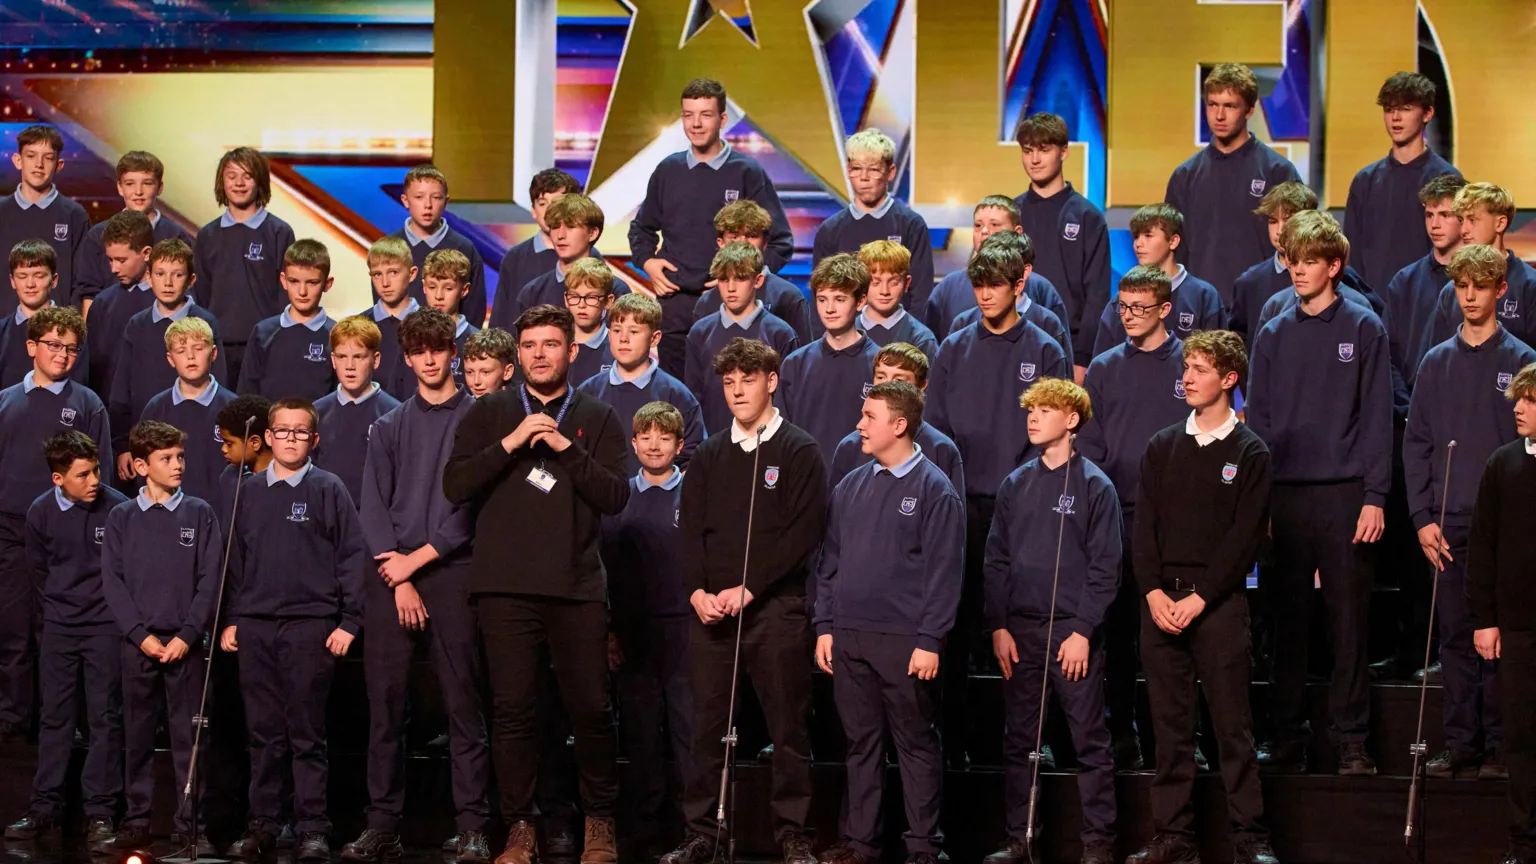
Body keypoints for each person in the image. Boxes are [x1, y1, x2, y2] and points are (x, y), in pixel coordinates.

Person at [442, 304, 629, 864]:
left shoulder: (596, 416)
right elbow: (455, 484)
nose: (540, 354)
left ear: (572, 352)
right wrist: (513, 441)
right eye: (530, 346)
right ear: (516, 354)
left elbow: (617, 496)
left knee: (591, 709)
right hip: (505, 588)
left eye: (551, 344)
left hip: (577, 588)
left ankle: (599, 823)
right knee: (515, 711)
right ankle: (519, 828)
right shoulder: (490, 413)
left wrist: (567, 450)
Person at [661, 337, 827, 864]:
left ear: (771, 382)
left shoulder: (799, 450)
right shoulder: (709, 453)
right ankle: (700, 833)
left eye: (747, 380)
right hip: (712, 613)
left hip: (775, 610)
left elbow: (803, 533)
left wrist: (751, 587)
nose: (736, 391)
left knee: (787, 728)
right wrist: (697, 592)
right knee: (706, 727)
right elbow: (690, 535)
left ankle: (792, 832)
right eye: (728, 382)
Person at [1246, 210, 1391, 776]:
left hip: (1346, 495)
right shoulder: (1273, 330)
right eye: (1291, 259)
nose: (1297, 270)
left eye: (1308, 261)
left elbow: (1377, 417)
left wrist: (1375, 495)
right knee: (1288, 621)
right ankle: (1287, 733)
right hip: (1285, 496)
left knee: (1348, 621)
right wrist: (1260, 505)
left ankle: (1352, 739)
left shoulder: (1363, 327)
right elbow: (1258, 422)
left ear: (1334, 266)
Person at [1127, 330, 1277, 864]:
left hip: (1217, 608)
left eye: (1199, 368)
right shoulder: (1162, 445)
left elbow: (1245, 537)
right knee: (1169, 729)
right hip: (1160, 605)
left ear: (1229, 379)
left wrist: (1201, 598)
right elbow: (1143, 530)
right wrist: (1151, 593)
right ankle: (1173, 838)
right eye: (1185, 366)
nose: (1186, 377)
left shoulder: (1250, 451)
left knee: (1232, 728)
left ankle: (1250, 838)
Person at [346, 308, 490, 863]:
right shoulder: (388, 425)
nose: (430, 359)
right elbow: (373, 506)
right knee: (386, 708)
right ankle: (382, 823)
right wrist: (399, 574)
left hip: (453, 574)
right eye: (419, 351)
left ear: (453, 351)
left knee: (463, 704)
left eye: (439, 349)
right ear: (406, 359)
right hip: (392, 578)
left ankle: (473, 824)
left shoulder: (479, 419)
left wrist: (421, 561)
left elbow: (473, 507)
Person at [928, 240, 1067, 768]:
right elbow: (936, 434)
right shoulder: (953, 348)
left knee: (1027, 629)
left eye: (995, 286)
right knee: (958, 628)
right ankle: (953, 739)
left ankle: (1034, 741)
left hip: (1025, 507)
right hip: (962, 506)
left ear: (1018, 286)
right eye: (978, 285)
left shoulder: (1046, 346)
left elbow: (1052, 432)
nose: (985, 295)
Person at [815, 381, 963, 864]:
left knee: (916, 746)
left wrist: (930, 639)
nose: (859, 424)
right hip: (851, 638)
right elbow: (829, 563)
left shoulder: (934, 489)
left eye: (869, 416)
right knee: (861, 745)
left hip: (905, 644)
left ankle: (923, 848)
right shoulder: (850, 485)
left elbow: (945, 572)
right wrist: (825, 626)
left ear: (899, 425)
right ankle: (862, 844)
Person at [1405, 244, 1536, 780]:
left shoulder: (1523, 362)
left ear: (1501, 291)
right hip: (1449, 523)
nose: (1471, 297)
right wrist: (1422, 517)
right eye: (1463, 287)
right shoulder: (1435, 363)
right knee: (1456, 637)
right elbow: (1416, 444)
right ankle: (1462, 742)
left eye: (1482, 287)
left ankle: (1506, 746)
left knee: (1502, 638)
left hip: (1508, 531)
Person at [222, 399, 365, 861]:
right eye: (281, 431)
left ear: (313, 440)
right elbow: (235, 563)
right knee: (264, 733)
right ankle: (262, 823)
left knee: (307, 733)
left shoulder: (329, 489)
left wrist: (349, 621)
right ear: (267, 436)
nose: (290, 439)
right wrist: (232, 618)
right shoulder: (249, 491)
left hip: (310, 625)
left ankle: (311, 828)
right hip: (257, 626)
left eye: (300, 432)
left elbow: (352, 557)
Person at [984, 378, 1119, 864]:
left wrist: (1083, 631)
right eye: (1030, 409)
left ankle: (1099, 843)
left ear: (1072, 420)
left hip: (1072, 633)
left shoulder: (1094, 486)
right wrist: (998, 624)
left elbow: (1107, 568)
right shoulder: (1015, 484)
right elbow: (996, 560)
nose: (1033, 417)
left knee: (1089, 740)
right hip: (1021, 631)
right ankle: (1020, 837)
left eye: (1045, 409)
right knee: (1021, 739)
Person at [1077, 265, 1193, 770]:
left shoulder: (1190, 361)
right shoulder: (1103, 368)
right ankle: (1121, 736)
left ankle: (1181, 744)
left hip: (1176, 522)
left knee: (1176, 641)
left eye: (1140, 308)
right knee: (1119, 635)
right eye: (1122, 307)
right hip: (1119, 518)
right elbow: (1093, 446)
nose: (1129, 317)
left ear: (1165, 309)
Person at [100, 421, 221, 854]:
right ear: (140, 466)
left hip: (185, 645)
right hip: (139, 646)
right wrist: (139, 635)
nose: (177, 466)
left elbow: (210, 580)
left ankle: (191, 826)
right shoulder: (121, 518)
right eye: (166, 459)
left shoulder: (200, 514)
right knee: (136, 735)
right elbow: (112, 581)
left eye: (180, 457)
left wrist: (188, 634)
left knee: (191, 740)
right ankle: (136, 819)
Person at [3, 432, 128, 851]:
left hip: (104, 627)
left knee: (104, 719)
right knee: (54, 717)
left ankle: (100, 813)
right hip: (59, 626)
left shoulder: (117, 508)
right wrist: (57, 613)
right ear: (59, 478)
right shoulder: (39, 513)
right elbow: (39, 571)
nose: (94, 479)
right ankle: (44, 808)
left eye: (95, 469)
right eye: (83, 474)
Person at [629, 78, 794, 375]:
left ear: (722, 119)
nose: (696, 124)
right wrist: (648, 263)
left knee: (731, 392)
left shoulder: (747, 171)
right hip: (675, 307)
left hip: (729, 308)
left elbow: (781, 242)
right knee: (678, 401)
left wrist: (740, 277)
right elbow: (641, 229)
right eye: (688, 115)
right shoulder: (669, 170)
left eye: (705, 115)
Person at [0, 305, 109, 741]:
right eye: (53, 345)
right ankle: (13, 719)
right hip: (12, 530)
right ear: (32, 347)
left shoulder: (87, 403)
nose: (62, 355)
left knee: (60, 632)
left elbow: (102, 480)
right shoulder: (7, 403)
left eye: (71, 348)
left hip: (71, 533)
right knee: (14, 629)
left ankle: (64, 720)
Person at [600, 401, 694, 847]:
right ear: (633, 442)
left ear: (679, 444)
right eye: (646, 436)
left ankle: (697, 828)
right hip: (633, 632)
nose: (654, 444)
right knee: (639, 733)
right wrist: (610, 632)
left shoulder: (695, 494)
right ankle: (646, 827)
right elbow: (606, 569)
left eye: (664, 436)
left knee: (688, 729)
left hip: (684, 631)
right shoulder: (618, 497)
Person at [1469, 362, 1536, 864]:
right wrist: (1484, 618)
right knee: (1521, 737)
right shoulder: (1503, 463)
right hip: (1517, 628)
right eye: (1518, 398)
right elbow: (1483, 548)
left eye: (1530, 401)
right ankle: (1524, 843)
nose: (1518, 407)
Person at [1165, 63, 1302, 308]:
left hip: (1262, 307)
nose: (1219, 116)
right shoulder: (1185, 176)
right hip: (1200, 309)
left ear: (1249, 110)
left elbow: (1297, 247)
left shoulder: (1278, 172)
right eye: (1213, 104)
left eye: (1230, 106)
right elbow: (1174, 252)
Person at [109, 238, 226, 480]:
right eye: (160, 274)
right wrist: (122, 446)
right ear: (149, 277)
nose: (168, 283)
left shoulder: (207, 323)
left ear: (191, 280)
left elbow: (220, 385)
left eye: (177, 275)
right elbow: (121, 389)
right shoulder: (138, 325)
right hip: (149, 438)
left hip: (199, 436)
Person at [1012, 112, 1110, 379]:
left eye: (1044, 150)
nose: (1034, 159)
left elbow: (1097, 295)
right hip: (1012, 342)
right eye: (1028, 150)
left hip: (1068, 349)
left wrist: (1083, 359)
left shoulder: (1087, 216)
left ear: (1064, 151)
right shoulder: (1012, 214)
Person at [1343, 72, 1460, 295]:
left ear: (1427, 113)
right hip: (1373, 306)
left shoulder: (1448, 179)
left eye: (1405, 109)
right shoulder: (1365, 181)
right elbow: (1353, 255)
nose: (1395, 117)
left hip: (1428, 305)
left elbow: (1455, 253)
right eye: (1389, 109)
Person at [193, 147, 296, 387]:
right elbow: (201, 294)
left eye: (247, 176)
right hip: (218, 348)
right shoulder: (207, 235)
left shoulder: (279, 232)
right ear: (222, 181)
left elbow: (287, 293)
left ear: (259, 181)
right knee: (224, 421)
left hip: (265, 345)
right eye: (232, 176)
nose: (239, 183)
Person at [812, 128, 934, 317]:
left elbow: (920, 292)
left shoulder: (911, 224)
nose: (864, 178)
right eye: (857, 169)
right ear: (848, 171)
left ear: (891, 172)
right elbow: (820, 294)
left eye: (874, 170)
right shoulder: (830, 230)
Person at [578, 292, 704, 473]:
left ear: (654, 338)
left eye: (634, 331)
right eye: (616, 330)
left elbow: (692, 460)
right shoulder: (588, 392)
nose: (623, 338)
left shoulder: (677, 396)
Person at [684, 242, 798, 435]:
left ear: (758, 280)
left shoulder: (780, 333)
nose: (730, 288)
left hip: (766, 442)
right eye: (723, 279)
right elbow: (693, 397)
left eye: (740, 279)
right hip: (712, 442)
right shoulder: (700, 333)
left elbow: (788, 399)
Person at [828, 343, 965, 498]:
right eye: (881, 377)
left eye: (899, 379)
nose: (888, 385)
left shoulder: (942, 449)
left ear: (922, 386)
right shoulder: (850, 447)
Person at [922, 196, 1068, 341]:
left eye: (995, 225)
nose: (984, 231)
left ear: (1016, 232)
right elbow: (931, 344)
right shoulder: (949, 287)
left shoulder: (1041, 289)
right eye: (978, 225)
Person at [779, 253, 879, 466]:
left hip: (862, 483)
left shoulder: (880, 365)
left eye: (840, 299)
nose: (829, 309)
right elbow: (784, 434)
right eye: (822, 299)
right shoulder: (795, 364)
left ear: (861, 301)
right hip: (806, 480)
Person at [1089, 204, 1222, 358]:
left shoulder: (1204, 296)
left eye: (1148, 235)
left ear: (1173, 241)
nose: (1138, 244)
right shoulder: (1123, 299)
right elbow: (1102, 360)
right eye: (1136, 236)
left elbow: (1217, 362)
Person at [72, 150, 192, 313]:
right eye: (130, 184)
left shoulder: (176, 235)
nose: (138, 192)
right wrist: (91, 336)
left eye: (147, 183)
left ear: (160, 187)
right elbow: (89, 293)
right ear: (120, 188)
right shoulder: (98, 235)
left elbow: (185, 292)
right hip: (111, 327)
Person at [1386, 173, 1468, 395]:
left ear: (1465, 219)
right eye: (1429, 215)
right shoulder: (1404, 282)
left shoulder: (1482, 282)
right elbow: (1388, 353)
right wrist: (1404, 406)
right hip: (1412, 406)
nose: (1435, 224)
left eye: (1444, 215)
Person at [1428, 183, 1536, 351]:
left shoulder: (1529, 285)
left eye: (1472, 220)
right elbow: (1439, 353)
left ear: (1500, 223)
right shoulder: (1450, 291)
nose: (1463, 230)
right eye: (1461, 220)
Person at [140, 317, 237, 503]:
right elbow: (145, 467)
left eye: (198, 348)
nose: (190, 356)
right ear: (170, 358)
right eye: (181, 351)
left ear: (214, 353)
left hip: (222, 512)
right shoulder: (156, 408)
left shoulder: (233, 407)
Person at [693, 201, 813, 343]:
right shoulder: (706, 302)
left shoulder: (788, 297)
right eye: (734, 237)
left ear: (765, 242)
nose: (742, 243)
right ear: (721, 243)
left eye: (751, 236)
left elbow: (802, 356)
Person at [314, 316, 402, 507]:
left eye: (359, 357)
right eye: (342, 357)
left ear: (375, 360)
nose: (350, 366)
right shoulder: (316, 413)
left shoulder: (395, 414)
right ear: (333, 360)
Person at [0, 125, 89, 312]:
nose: (38, 164)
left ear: (59, 165)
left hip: (56, 331)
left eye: (47, 158)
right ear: (18, 161)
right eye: (31, 156)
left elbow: (82, 282)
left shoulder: (74, 215)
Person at [237, 238, 337, 401]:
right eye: (294, 281)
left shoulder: (336, 335)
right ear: (284, 280)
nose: (302, 291)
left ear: (327, 283)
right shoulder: (263, 332)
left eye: (312, 283)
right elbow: (247, 393)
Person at [949, 231, 1073, 362]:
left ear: (1024, 272)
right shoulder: (963, 323)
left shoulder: (1047, 322)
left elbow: (1062, 379)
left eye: (996, 283)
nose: (985, 295)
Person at [389, 164, 487, 327]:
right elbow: (383, 305)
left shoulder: (464, 248)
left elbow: (474, 310)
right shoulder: (390, 249)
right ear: (405, 200)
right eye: (419, 197)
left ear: (446, 201)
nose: (428, 205)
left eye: (436, 197)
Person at [1228, 182, 1318, 350]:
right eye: (1273, 221)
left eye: (1288, 219)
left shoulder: (1334, 275)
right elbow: (1239, 341)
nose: (1280, 230)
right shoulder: (1250, 282)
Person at [491, 168, 581, 330]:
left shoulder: (588, 258)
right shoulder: (515, 258)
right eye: (542, 204)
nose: (549, 211)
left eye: (557, 203)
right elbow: (501, 321)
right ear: (533, 210)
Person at [83, 208, 158, 395]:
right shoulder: (102, 304)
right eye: (110, 260)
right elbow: (92, 368)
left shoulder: (169, 302)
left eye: (121, 260)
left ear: (146, 253)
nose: (114, 269)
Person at [512, 194, 624, 316]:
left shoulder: (616, 290)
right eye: (555, 227)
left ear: (592, 233)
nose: (560, 235)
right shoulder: (533, 291)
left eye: (570, 227)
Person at [0, 239, 86, 388]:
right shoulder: (2, 332)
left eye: (39, 276)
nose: (30, 284)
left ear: (54, 280)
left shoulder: (73, 331)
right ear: (13, 281)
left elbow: (80, 387)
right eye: (22, 276)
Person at [856, 240, 940, 360]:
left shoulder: (921, 339)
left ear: (906, 283)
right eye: (875, 282)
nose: (884, 291)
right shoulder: (847, 332)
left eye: (894, 282)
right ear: (862, 284)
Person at [365, 236, 422, 401]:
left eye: (393, 272)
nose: (385, 283)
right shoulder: (359, 326)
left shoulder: (430, 327)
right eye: (377, 274)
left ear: (412, 274)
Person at [213, 394, 274, 532]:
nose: (223, 449)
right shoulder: (229, 476)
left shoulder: (283, 480)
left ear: (255, 443)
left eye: (229, 443)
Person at [421, 248, 481, 388]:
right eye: (432, 287)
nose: (439, 296)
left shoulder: (477, 341)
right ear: (423, 286)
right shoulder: (412, 337)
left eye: (448, 288)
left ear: (464, 290)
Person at [562, 258, 617, 387]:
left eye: (591, 297)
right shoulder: (555, 345)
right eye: (574, 297)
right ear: (566, 299)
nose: (582, 305)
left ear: (608, 301)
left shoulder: (618, 349)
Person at [461, 327, 519, 399]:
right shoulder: (463, 408)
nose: (476, 381)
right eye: (470, 372)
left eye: (485, 372)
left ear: (507, 372)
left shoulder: (522, 408)